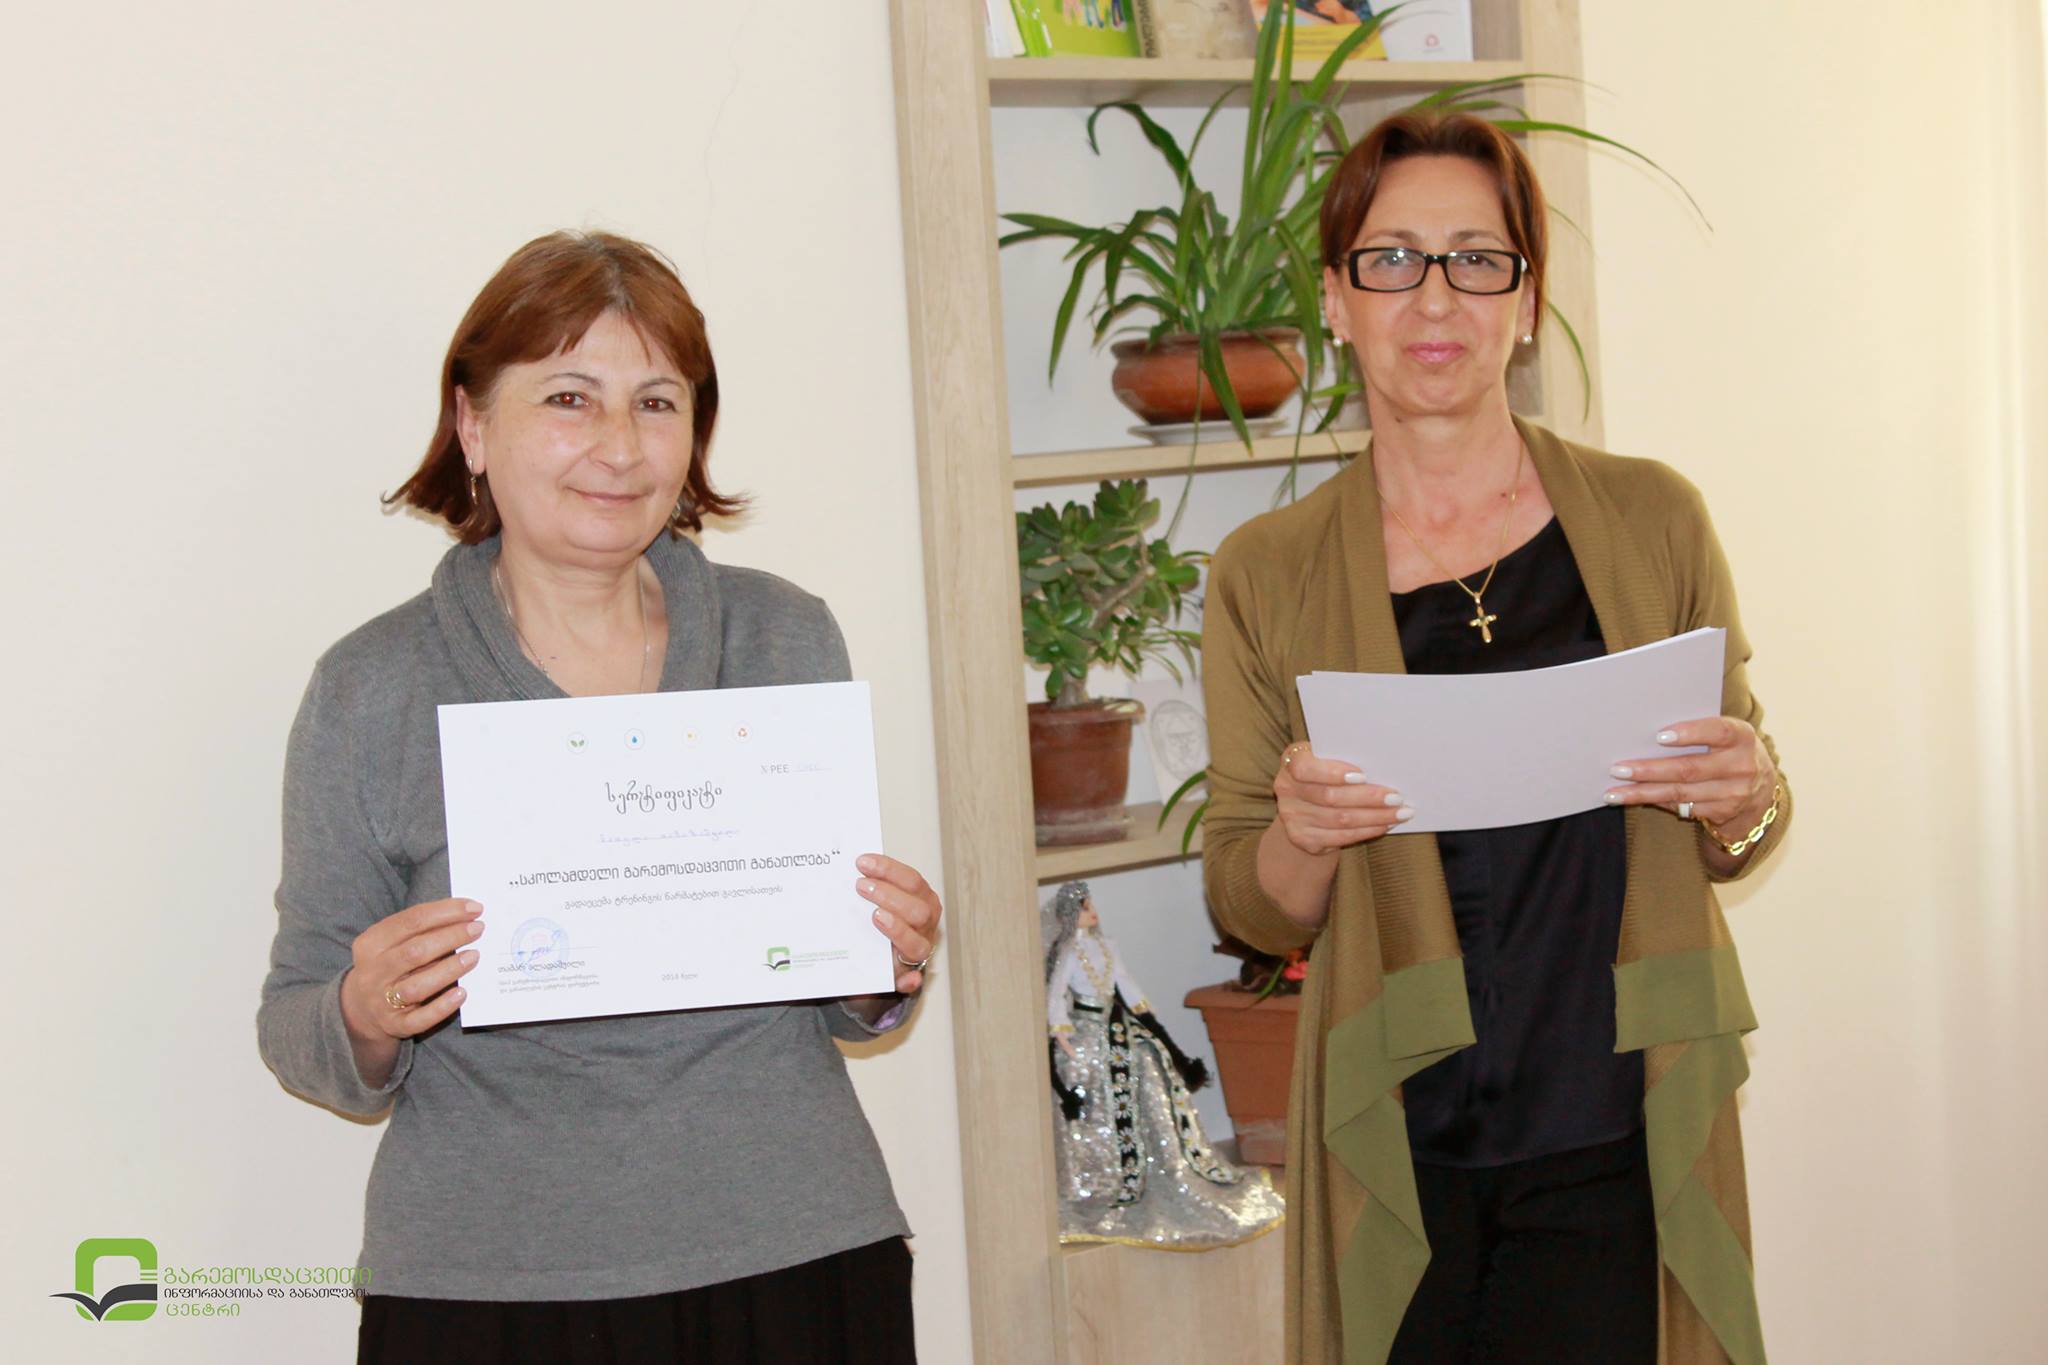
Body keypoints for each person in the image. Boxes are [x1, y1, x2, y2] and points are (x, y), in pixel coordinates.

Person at [256, 231, 941, 1365]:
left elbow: (840, 993)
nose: (619, 447)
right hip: (490, 1286)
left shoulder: (784, 635)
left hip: (799, 1248)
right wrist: (366, 1011)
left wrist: (883, 961)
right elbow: (298, 1022)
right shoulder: (372, 687)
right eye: (569, 397)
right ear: (474, 425)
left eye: (656, 403)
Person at [1200, 113, 1790, 1365]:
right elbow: (1250, 906)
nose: (1434, 298)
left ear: (1523, 302)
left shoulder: (1650, 518)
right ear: (1335, 300)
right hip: (1399, 1135)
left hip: (1615, 1119)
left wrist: (1744, 797)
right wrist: (1302, 834)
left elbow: (1735, 825)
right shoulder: (1267, 570)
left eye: (1476, 259)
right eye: (1390, 259)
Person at [1041, 880, 1285, 1248]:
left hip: (1116, 1023)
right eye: (1086, 907)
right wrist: (1060, 1031)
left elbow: (1126, 985)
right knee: (1094, 1085)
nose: (1094, 912)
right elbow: (1057, 992)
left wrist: (1147, 1016)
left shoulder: (1107, 947)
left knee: (1148, 1061)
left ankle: (1164, 1156)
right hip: (1086, 1030)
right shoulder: (1067, 953)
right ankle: (1101, 1178)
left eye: (1092, 905)